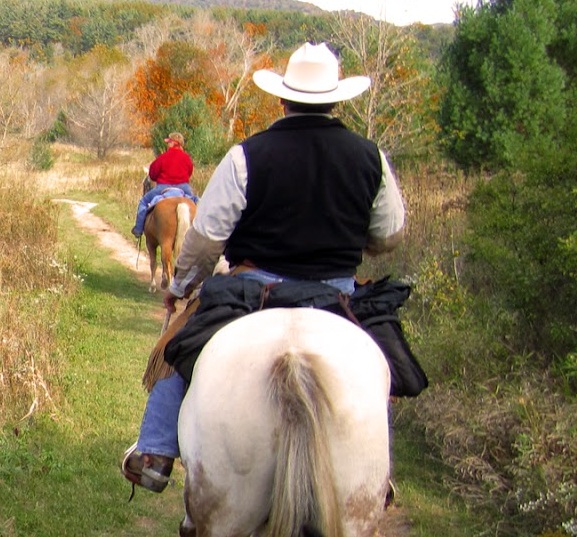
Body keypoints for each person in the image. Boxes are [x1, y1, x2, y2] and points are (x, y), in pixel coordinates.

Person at [122, 42, 407, 493]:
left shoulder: (247, 155)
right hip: (337, 291)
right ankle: (374, 474)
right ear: (336, 98)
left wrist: (182, 285)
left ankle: (155, 451)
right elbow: (389, 234)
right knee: (378, 364)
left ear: (282, 98)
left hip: (255, 288)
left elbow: (206, 239)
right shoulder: (370, 156)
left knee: (175, 349)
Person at [130, 131, 195, 238]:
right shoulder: (187, 158)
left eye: (169, 142)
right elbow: (189, 172)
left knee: (144, 201)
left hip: (163, 187)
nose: (167, 144)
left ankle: (138, 229)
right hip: (183, 187)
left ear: (173, 143)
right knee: (197, 203)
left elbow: (153, 174)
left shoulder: (163, 157)